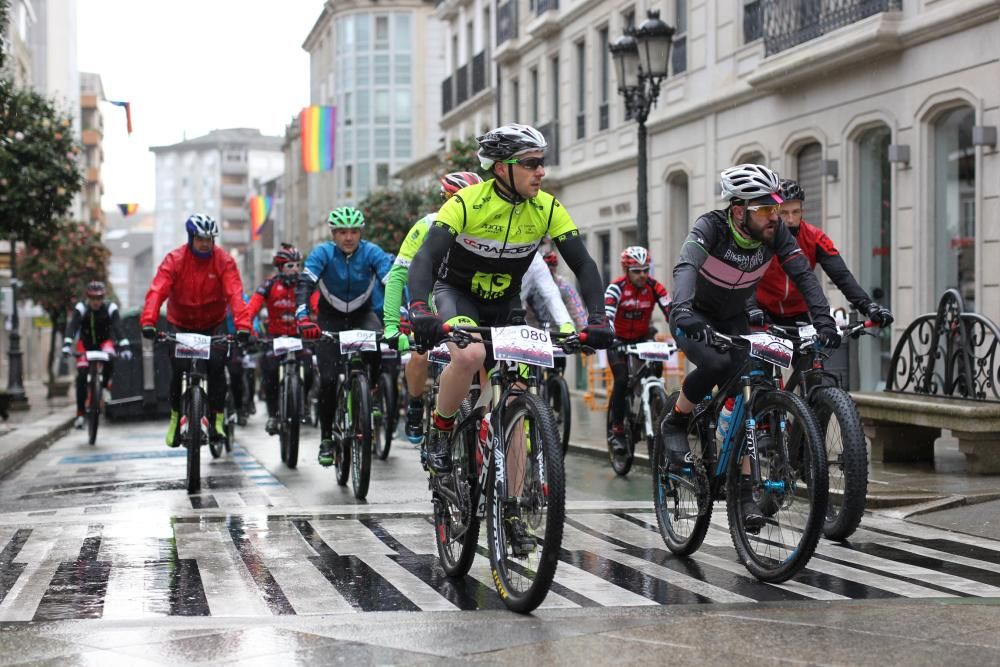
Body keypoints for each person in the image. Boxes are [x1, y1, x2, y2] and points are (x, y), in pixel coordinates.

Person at [406, 123, 615, 474]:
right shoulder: (466, 203)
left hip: (505, 304)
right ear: (502, 168)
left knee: (515, 401)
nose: (541, 172)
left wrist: (597, 318)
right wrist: (419, 309)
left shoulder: (547, 208)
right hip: (458, 295)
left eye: (542, 162)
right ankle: (441, 429)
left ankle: (515, 517)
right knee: (471, 353)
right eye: (531, 164)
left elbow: (583, 263)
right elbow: (425, 258)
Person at [660, 164, 839, 530]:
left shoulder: (773, 233)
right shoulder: (710, 227)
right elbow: (686, 268)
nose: (774, 216)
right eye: (765, 209)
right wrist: (681, 309)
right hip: (693, 314)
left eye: (776, 208)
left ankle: (743, 491)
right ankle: (676, 420)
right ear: (739, 210)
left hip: (734, 317)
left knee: (751, 390)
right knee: (715, 365)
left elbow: (804, 275)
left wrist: (824, 320)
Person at [383, 171, 483, 444]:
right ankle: (415, 404)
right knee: (419, 355)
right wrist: (392, 325)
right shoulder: (427, 225)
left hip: (463, 305)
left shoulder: (483, 227)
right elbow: (398, 276)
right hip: (428, 304)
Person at [140, 214, 251, 446]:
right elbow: (157, 290)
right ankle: (174, 418)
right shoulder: (175, 259)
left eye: (209, 239)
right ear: (191, 238)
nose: (205, 243)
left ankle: (217, 419)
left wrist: (243, 326)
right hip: (180, 324)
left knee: (216, 367)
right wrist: (148, 321)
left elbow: (235, 294)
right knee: (178, 370)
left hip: (213, 325)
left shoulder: (224, 261)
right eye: (200, 239)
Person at [295, 206, 393, 467]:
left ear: (361, 233)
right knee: (327, 380)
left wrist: (401, 315)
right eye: (341, 232)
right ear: (333, 234)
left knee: (377, 344)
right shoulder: (322, 253)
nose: (348, 237)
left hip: (363, 315)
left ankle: (369, 391)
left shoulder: (372, 252)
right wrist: (303, 317)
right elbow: (305, 284)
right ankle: (327, 438)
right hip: (329, 320)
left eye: (353, 232)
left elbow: (390, 281)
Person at [752, 178, 894, 328]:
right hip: (762, 313)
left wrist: (868, 305)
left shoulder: (815, 237)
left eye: (796, 212)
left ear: (802, 211)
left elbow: (842, 276)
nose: (791, 219)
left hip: (799, 315)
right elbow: (744, 276)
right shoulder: (760, 237)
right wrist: (751, 308)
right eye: (784, 213)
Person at [605, 246, 672, 456]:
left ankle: (652, 403)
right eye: (637, 271)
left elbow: (672, 311)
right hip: (618, 340)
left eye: (645, 270)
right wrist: (611, 337)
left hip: (643, 337)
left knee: (656, 371)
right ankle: (617, 430)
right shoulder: (615, 288)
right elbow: (607, 316)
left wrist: (685, 333)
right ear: (626, 270)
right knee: (622, 379)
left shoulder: (655, 287)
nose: (643, 275)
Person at [247, 243, 314, 435]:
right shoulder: (269, 285)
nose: (295, 270)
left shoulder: (306, 284)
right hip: (275, 337)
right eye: (290, 266)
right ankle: (273, 415)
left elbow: (317, 304)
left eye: (297, 265)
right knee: (269, 371)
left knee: (309, 369)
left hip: (300, 336)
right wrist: (247, 327)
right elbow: (253, 306)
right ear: (279, 267)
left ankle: (305, 400)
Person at [62, 281, 131, 429]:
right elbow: (72, 327)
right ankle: (80, 414)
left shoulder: (110, 308)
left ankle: (105, 387)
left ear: (103, 297)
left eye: (99, 298)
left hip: (104, 342)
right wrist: (67, 345)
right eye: (93, 298)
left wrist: (125, 345)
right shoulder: (81, 308)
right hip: (85, 344)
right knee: (81, 377)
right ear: (88, 298)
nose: (96, 302)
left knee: (111, 356)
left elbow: (118, 327)